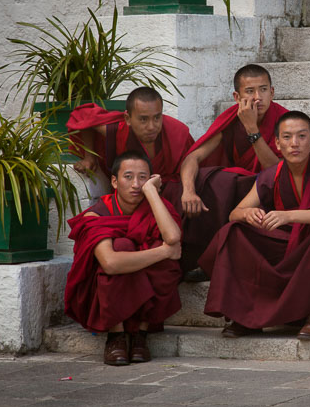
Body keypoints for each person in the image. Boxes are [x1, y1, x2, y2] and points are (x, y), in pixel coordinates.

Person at [200, 111, 310, 340]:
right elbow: (233, 214)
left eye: (301, 136)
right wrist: (247, 213)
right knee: (234, 231)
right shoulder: (273, 174)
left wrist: (289, 216)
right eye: (287, 137)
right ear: (277, 143)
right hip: (284, 242)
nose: (294, 144)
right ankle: (245, 316)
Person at [65, 151, 183, 366]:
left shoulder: (155, 207)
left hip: (142, 294)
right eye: (128, 177)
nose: (136, 184)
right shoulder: (98, 214)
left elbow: (173, 236)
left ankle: (140, 335)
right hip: (105, 291)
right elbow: (110, 263)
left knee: (156, 249)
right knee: (123, 246)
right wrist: (164, 252)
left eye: (143, 178)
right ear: (114, 181)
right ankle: (116, 336)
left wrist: (152, 193)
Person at [179, 64, 288, 278]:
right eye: (250, 91)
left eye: (263, 90)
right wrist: (188, 191)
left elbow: (277, 173)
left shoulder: (285, 121)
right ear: (237, 96)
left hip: (270, 192)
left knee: (227, 182)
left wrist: (252, 129)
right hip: (237, 191)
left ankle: (219, 260)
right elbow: (193, 157)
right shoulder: (231, 119)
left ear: (272, 92)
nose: (258, 97)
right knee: (208, 179)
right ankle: (201, 257)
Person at [67, 87, 194, 213]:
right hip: (133, 199)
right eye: (143, 119)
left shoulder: (176, 132)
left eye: (157, 118)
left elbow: (192, 160)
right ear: (128, 119)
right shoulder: (120, 131)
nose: (151, 127)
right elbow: (82, 116)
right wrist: (89, 156)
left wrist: (189, 190)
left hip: (171, 198)